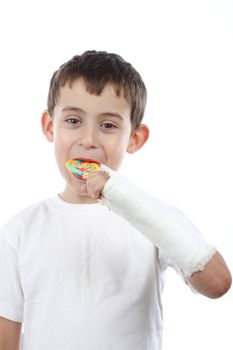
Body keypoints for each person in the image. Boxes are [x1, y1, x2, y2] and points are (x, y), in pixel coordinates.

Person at [0, 50, 231, 350]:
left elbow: (217, 283)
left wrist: (123, 195)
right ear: (49, 126)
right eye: (73, 120)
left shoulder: (152, 218)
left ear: (135, 138)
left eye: (108, 125)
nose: (88, 139)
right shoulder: (21, 229)